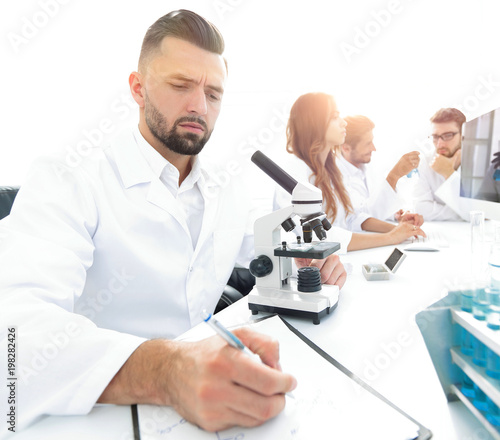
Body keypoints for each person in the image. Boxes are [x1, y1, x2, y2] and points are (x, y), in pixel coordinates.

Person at [0, 10, 347, 432]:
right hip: (99, 416)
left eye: (214, 94)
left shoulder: (226, 187)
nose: (199, 106)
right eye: (181, 85)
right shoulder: (70, 177)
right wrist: (164, 372)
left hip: (207, 406)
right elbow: (12, 336)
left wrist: (309, 262)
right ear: (138, 88)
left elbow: (266, 249)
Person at [274, 92, 425, 252]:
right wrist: (391, 237)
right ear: (313, 124)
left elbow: (352, 218)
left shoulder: (331, 170)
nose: (344, 123)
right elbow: (316, 238)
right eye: (334, 117)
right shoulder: (294, 173)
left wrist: (399, 229)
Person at [338, 114, 423, 224]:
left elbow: (373, 205)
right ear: (345, 148)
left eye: (372, 141)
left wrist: (395, 215)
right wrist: (394, 176)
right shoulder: (336, 176)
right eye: (367, 143)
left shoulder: (367, 166)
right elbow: (361, 218)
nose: (374, 148)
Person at [412, 108, 467, 220]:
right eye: (435, 137)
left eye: (448, 135)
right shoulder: (425, 162)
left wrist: (449, 174)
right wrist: (463, 213)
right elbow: (421, 208)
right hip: (439, 232)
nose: (440, 143)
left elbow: (484, 211)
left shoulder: (478, 161)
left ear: (463, 134)